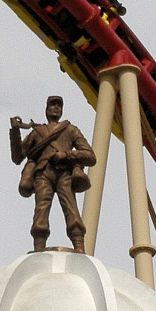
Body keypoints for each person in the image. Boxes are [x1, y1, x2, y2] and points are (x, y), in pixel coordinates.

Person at [10, 96, 96, 253]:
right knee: (41, 209)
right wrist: (15, 131)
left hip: (64, 174)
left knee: (71, 208)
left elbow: (90, 156)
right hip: (43, 174)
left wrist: (66, 155)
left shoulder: (70, 130)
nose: (56, 108)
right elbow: (17, 157)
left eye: (59, 105)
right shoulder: (37, 132)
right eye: (53, 104)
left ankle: (79, 246)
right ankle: (38, 247)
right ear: (47, 109)